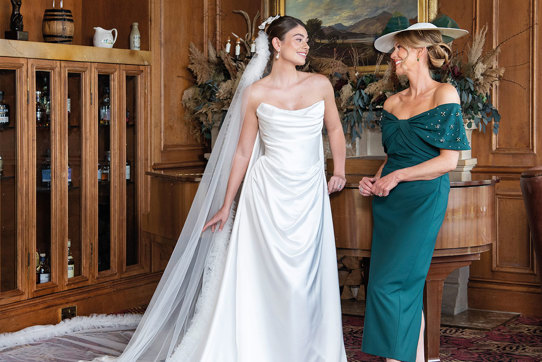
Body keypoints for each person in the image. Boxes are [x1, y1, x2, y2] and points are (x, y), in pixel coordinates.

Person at [99, 15, 348, 362]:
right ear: (276, 45)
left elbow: (335, 130)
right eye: (298, 40)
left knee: (306, 278)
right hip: (265, 195)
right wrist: (226, 204)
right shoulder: (255, 93)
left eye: (307, 40)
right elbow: (244, 151)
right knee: (264, 277)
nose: (306, 46)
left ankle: (308, 352)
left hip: (308, 192)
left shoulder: (320, 84)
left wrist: (339, 170)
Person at [359, 23, 470, 362]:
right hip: (390, 200)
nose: (393, 56)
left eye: (400, 49)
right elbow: (394, 158)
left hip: (423, 198)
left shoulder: (444, 93)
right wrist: (375, 180)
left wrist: (397, 177)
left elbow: (448, 161)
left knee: (390, 287)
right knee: (396, 289)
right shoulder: (392, 102)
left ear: (420, 52)